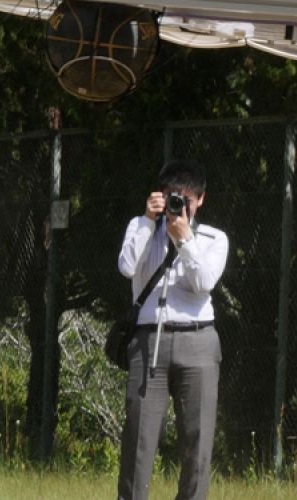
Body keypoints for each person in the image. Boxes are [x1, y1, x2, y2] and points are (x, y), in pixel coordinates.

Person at [116, 160, 229, 500]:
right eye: (171, 198)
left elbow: (204, 281)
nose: (178, 206)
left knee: (197, 442)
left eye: (185, 200)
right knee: (138, 439)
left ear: (200, 200)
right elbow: (126, 267)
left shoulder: (213, 238)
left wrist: (185, 240)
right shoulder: (141, 227)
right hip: (149, 339)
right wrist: (148, 222)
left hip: (198, 340)